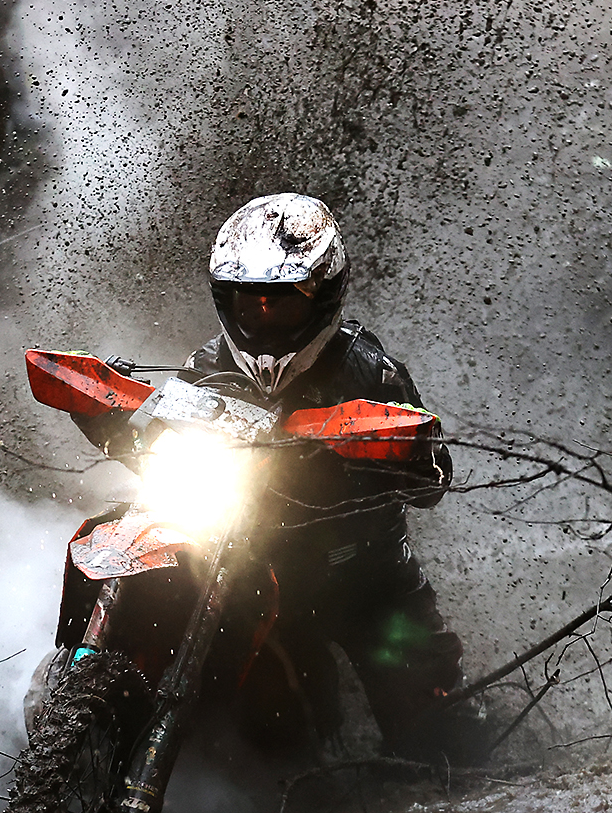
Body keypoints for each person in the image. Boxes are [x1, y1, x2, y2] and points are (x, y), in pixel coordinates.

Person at [72, 192, 488, 766]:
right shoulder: (204, 369)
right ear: (227, 302)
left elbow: (434, 481)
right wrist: (122, 423)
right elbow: (156, 437)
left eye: (283, 306)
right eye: (251, 306)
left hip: (363, 576)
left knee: (440, 734)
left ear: (325, 295)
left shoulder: (372, 372)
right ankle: (83, 708)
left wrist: (395, 454)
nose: (265, 319)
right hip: (245, 565)